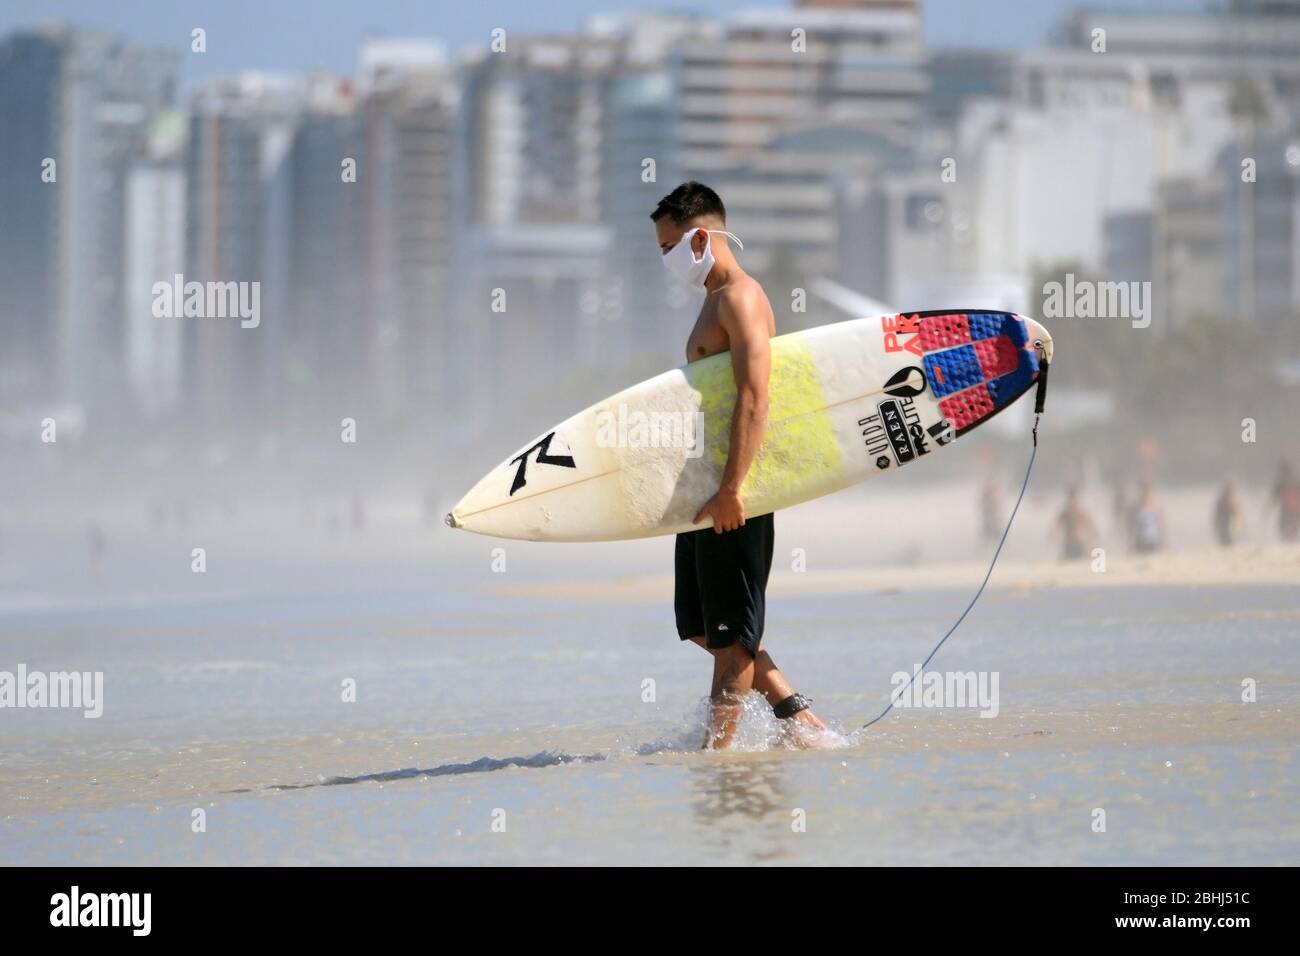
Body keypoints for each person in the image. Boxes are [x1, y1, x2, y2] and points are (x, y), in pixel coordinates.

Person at [651, 181, 827, 749]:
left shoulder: (740, 298)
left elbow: (756, 397)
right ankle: (799, 721)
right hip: (707, 487)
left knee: (731, 640)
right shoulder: (712, 299)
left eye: (668, 248)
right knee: (703, 625)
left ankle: (717, 761)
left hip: (736, 491)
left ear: (700, 238)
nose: (666, 261)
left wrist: (733, 490)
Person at [1052, 485, 1097, 562]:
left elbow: (1090, 526)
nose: (1071, 501)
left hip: (1078, 544)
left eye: (1073, 498)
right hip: (1068, 544)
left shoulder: (1080, 512)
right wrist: (1053, 535)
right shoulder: (1065, 512)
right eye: (1070, 499)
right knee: (1066, 563)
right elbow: (1056, 526)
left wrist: (1091, 543)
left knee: (1079, 563)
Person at [1130, 479, 1166, 554]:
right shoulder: (1136, 507)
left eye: (1148, 490)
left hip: (1153, 540)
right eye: (1144, 490)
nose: (1146, 492)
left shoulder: (1156, 507)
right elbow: (1132, 526)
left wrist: (1164, 543)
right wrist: (1131, 544)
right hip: (1140, 540)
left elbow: (1162, 525)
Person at [1268, 461, 1300, 542]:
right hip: (1296, 509)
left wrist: (1268, 508)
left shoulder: (1281, 481)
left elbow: (1274, 497)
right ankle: (1292, 543)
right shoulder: (1296, 480)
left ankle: (1287, 543)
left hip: (1286, 509)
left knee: (1284, 527)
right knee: (1293, 527)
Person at [1212, 480, 1244, 548]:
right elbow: (1217, 512)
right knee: (1225, 537)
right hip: (1224, 521)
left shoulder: (1230, 499)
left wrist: (1239, 524)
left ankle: (1227, 547)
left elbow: (1236, 512)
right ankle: (1226, 547)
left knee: (1228, 538)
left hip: (1228, 522)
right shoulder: (1224, 499)